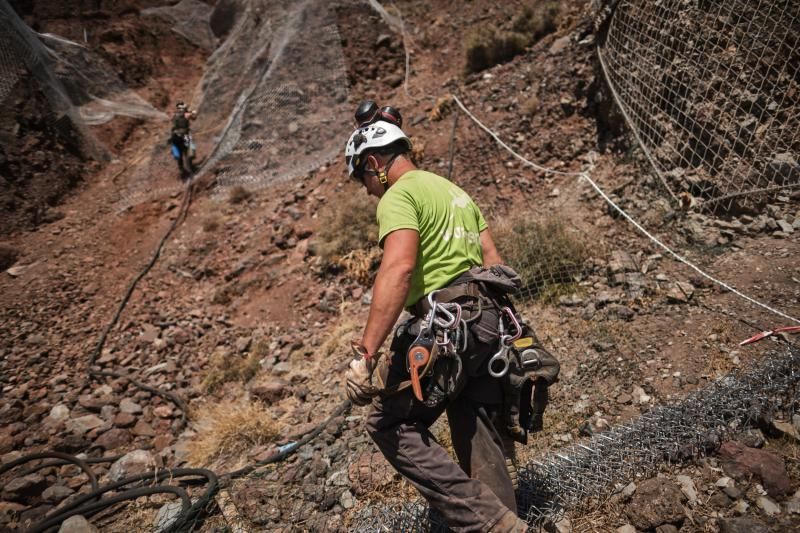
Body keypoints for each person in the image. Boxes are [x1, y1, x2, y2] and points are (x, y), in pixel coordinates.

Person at [341, 105, 550, 532]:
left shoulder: (399, 195)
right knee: (477, 428)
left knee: (390, 424)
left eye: (362, 178)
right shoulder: (456, 192)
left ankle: (489, 522)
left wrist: (366, 354)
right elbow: (494, 262)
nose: (366, 191)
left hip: (446, 323)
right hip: (489, 320)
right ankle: (507, 523)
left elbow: (397, 270)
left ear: (374, 163)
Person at [169, 101, 197, 179]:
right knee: (188, 151)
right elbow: (194, 117)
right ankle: (190, 169)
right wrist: (193, 112)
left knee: (180, 154)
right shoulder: (186, 114)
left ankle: (182, 169)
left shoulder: (174, 115)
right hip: (185, 136)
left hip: (175, 136)